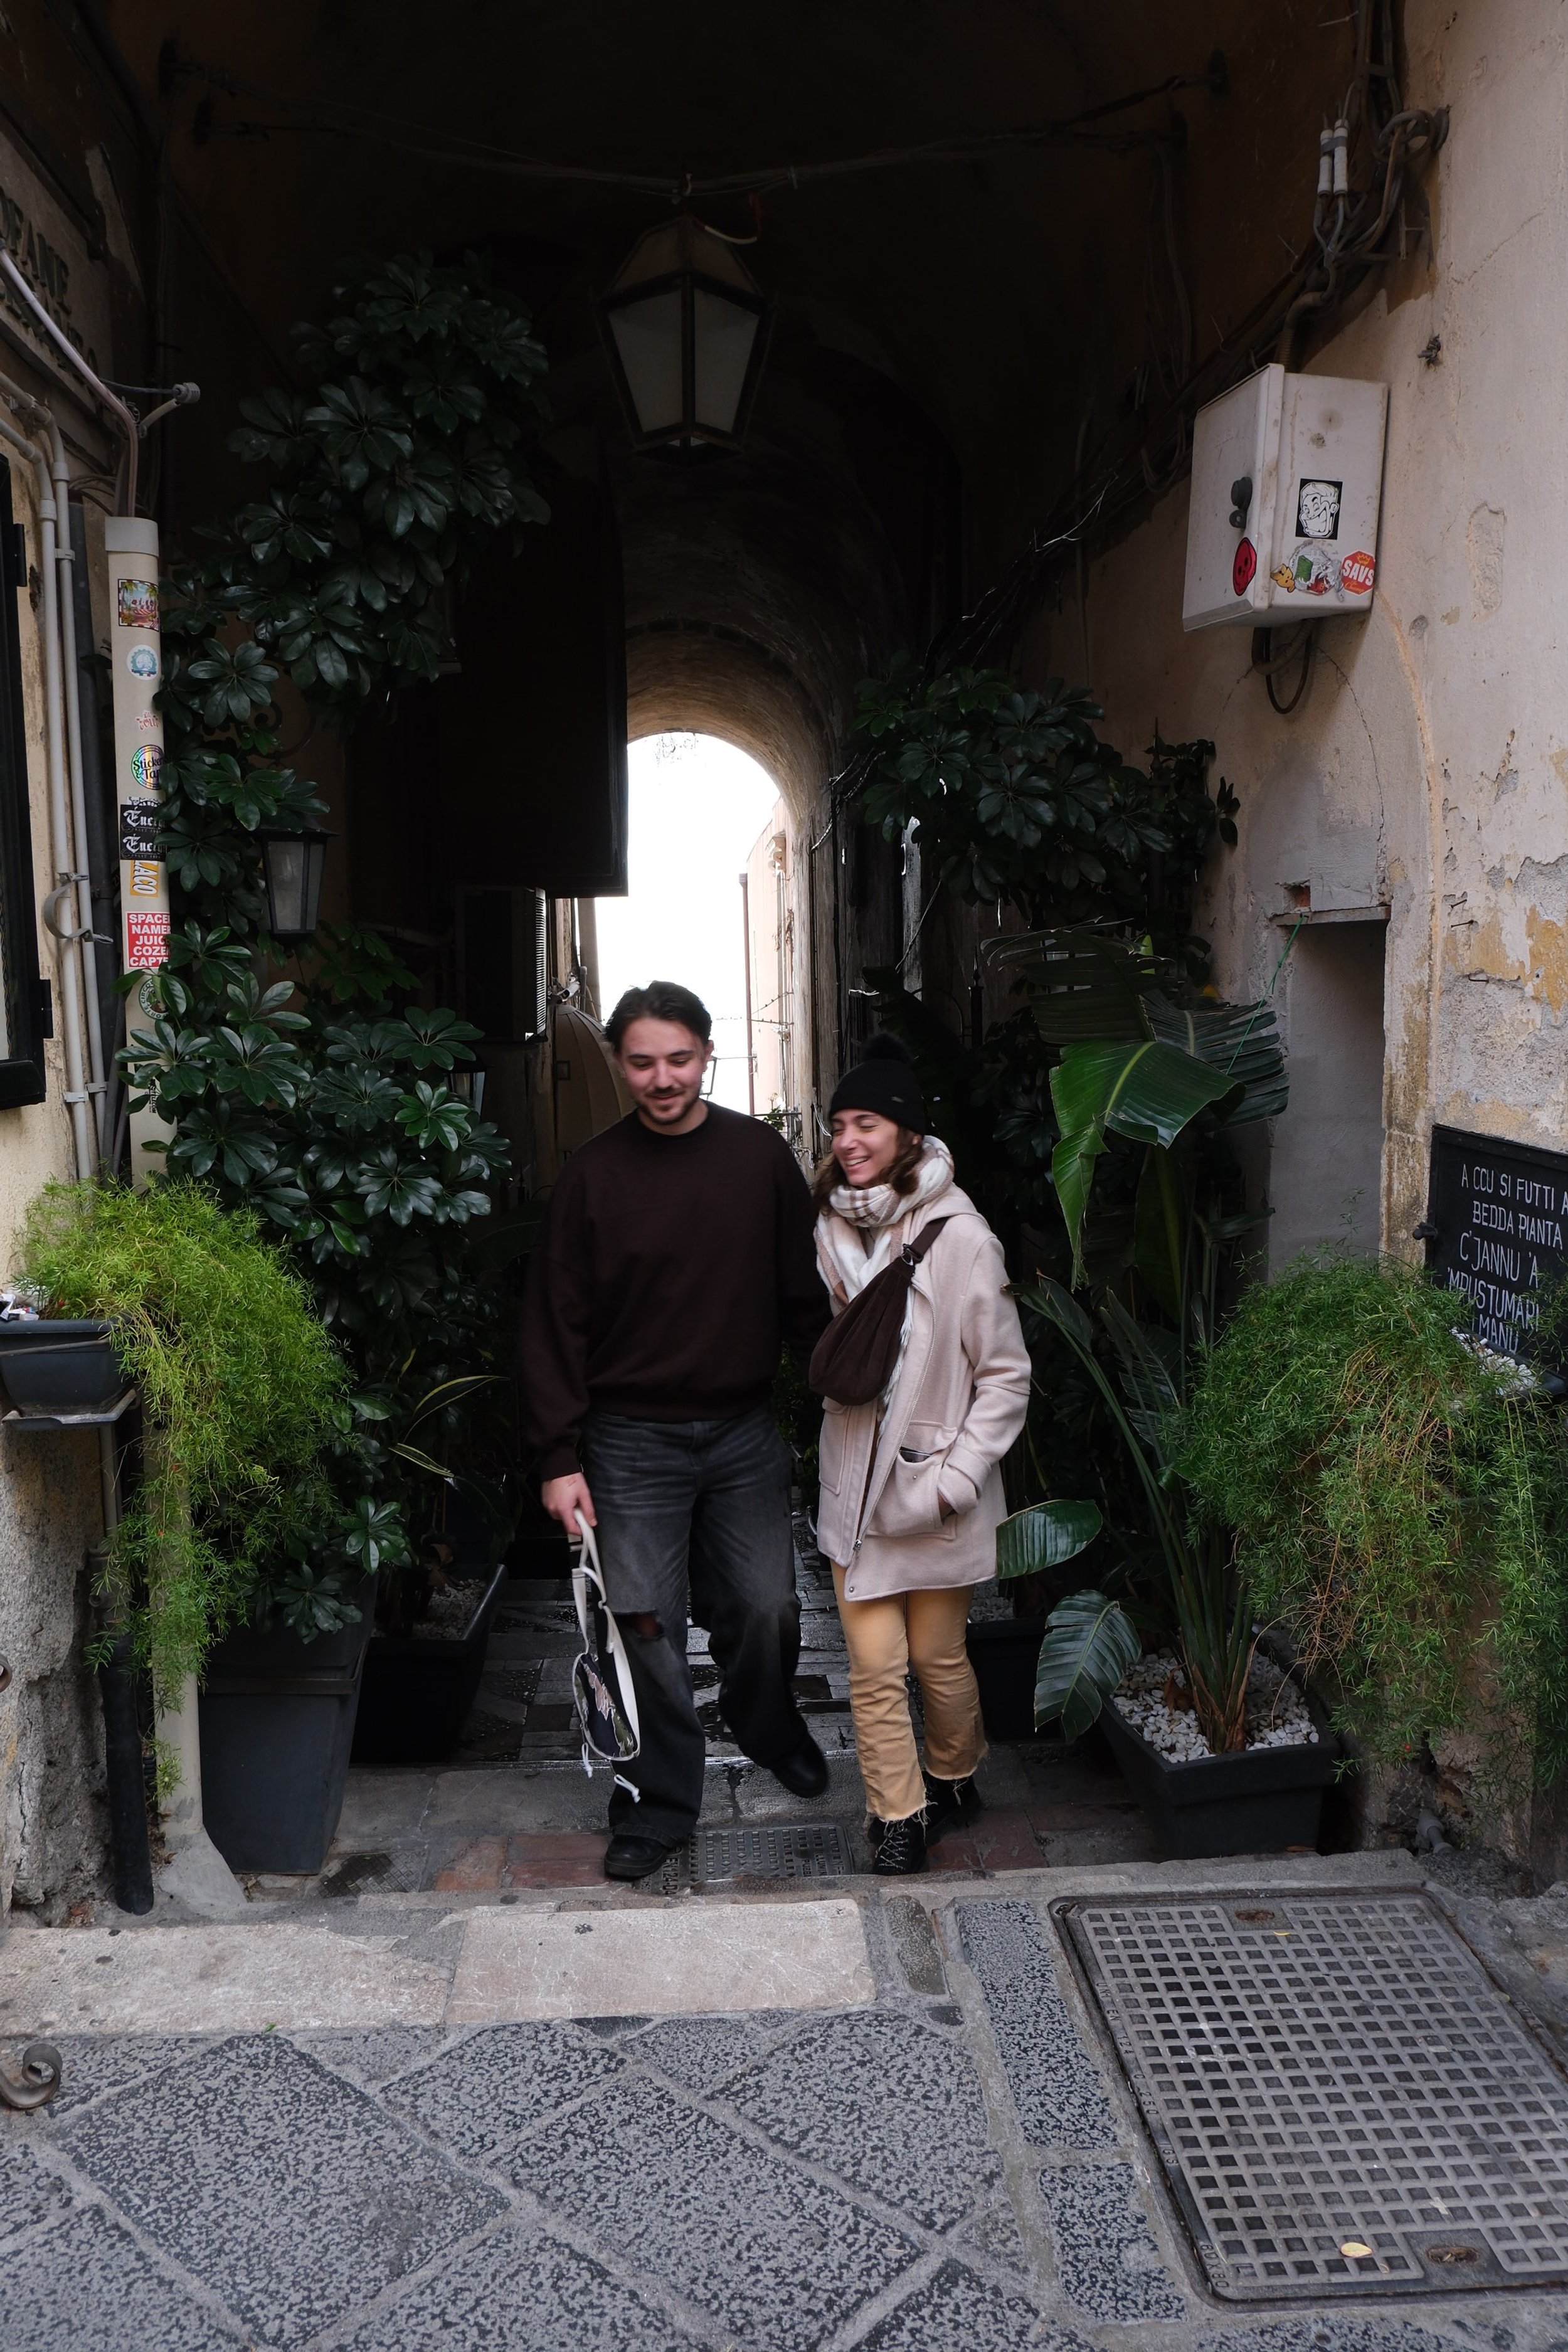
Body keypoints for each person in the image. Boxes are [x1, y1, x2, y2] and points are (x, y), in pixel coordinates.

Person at [519, 979, 833, 1882]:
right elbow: (552, 1323)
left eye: (679, 1059)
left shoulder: (760, 1159)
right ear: (621, 1063)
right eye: (644, 1061)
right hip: (629, 1441)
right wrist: (557, 1455)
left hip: (741, 1432)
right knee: (643, 1621)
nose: (663, 1078)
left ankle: (768, 1723)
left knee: (769, 1605)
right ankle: (659, 1796)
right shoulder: (592, 1178)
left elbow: (801, 1296)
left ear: (707, 1054)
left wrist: (839, 1399)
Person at [813, 1034, 1031, 1875]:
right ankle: (899, 1815)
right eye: (839, 1124)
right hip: (855, 1491)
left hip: (932, 1489)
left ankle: (955, 1769)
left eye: (866, 1122)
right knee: (873, 1664)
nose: (849, 1140)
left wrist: (955, 1480)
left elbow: (1006, 1376)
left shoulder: (964, 1238)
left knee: (940, 1658)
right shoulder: (829, 1229)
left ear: (906, 1133)